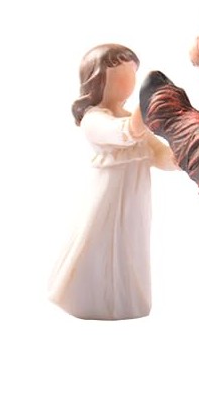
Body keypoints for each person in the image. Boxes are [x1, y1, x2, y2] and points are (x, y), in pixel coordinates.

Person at [49, 43, 177, 320]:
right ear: (99, 80)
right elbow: (125, 134)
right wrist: (148, 101)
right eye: (123, 73)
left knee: (131, 247)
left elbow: (158, 153)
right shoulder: (94, 119)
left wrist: (182, 157)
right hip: (107, 199)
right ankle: (86, 299)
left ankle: (126, 302)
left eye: (133, 72)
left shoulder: (131, 117)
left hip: (135, 200)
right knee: (101, 246)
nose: (131, 79)